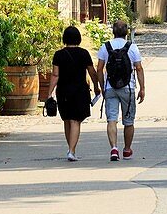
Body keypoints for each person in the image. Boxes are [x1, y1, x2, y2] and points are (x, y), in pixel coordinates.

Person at [48, 25, 100, 162]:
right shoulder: (84, 53)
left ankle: (71, 149)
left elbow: (55, 75)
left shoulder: (58, 54)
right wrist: (96, 87)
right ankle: (71, 151)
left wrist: (49, 93)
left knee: (67, 120)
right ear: (78, 38)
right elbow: (92, 72)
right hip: (79, 91)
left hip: (63, 91)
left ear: (64, 38)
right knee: (75, 120)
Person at [96, 20, 145, 162]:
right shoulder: (132, 47)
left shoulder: (105, 47)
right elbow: (139, 68)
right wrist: (142, 88)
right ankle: (127, 149)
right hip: (128, 88)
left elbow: (99, 69)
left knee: (112, 119)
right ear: (127, 32)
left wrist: (102, 86)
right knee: (128, 121)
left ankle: (114, 148)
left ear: (113, 31)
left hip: (110, 87)